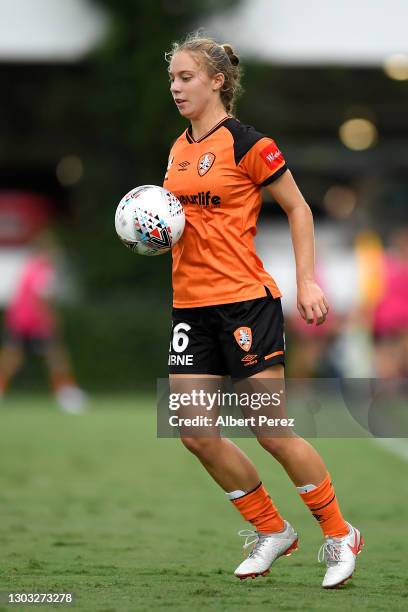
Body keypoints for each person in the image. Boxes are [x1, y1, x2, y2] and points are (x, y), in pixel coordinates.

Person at [163, 34, 363, 588]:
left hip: (246, 303)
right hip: (190, 307)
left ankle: (339, 533)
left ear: (216, 81)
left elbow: (299, 209)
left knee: (270, 432)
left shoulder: (250, 144)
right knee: (195, 431)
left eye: (186, 78)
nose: (176, 87)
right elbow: (180, 224)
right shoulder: (178, 149)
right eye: (173, 78)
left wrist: (306, 281)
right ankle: (273, 531)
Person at [0, 231, 87, 413]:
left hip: (18, 320)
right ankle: (66, 394)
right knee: (56, 357)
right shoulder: (43, 269)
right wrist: (49, 320)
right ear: (46, 251)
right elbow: (40, 299)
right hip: (33, 322)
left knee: (13, 358)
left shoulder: (29, 267)